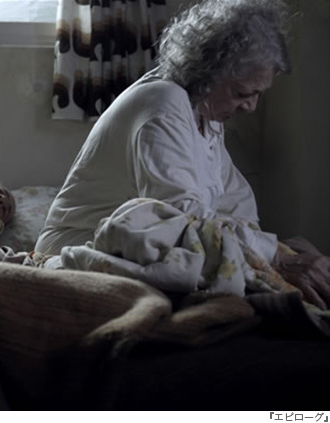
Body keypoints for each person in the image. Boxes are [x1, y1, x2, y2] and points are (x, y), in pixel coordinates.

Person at [35, 0, 330, 309]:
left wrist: (279, 250)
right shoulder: (164, 104)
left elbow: (237, 206)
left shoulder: (205, 114)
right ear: (208, 72)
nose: (251, 106)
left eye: (257, 94)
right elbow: (183, 223)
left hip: (137, 243)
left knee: (292, 258)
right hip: (81, 244)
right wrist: (274, 256)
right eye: (243, 93)